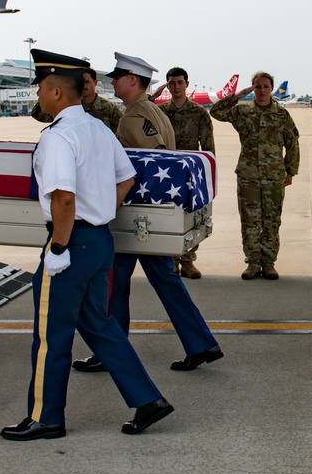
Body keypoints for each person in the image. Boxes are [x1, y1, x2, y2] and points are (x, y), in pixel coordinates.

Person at [0, 49, 173, 442]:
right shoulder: (97, 129)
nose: (39, 96)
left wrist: (59, 248)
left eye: (42, 88)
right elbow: (126, 179)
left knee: (50, 335)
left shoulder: (58, 136)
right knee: (98, 324)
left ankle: (46, 417)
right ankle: (148, 399)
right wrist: (99, 214)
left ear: (57, 92)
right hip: (98, 241)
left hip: (70, 243)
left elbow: (62, 198)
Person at [72, 53, 221, 376]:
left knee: (112, 282)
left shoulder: (134, 118)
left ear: (132, 80)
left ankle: (110, 350)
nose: (112, 82)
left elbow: (157, 161)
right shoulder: (150, 110)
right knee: (161, 280)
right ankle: (200, 343)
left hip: (138, 218)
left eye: (117, 77)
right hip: (150, 218)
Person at [211, 72, 300, 280]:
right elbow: (216, 112)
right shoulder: (242, 112)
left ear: (271, 88)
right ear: (252, 89)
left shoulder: (281, 114)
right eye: (257, 87)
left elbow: (292, 143)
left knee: (271, 220)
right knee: (250, 221)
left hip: (274, 176)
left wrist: (291, 171)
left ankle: (268, 263)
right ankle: (252, 263)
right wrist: (236, 96)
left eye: (265, 87)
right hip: (248, 176)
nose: (262, 91)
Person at [157, 67, 216, 278]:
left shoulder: (199, 113)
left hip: (191, 174)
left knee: (192, 216)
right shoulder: (160, 112)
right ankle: (171, 259)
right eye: (172, 83)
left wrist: (208, 173)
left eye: (180, 82)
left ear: (187, 84)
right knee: (169, 215)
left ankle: (188, 261)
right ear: (168, 85)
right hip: (167, 173)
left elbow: (208, 147)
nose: (176, 87)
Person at [31, 66, 122, 132]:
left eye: (87, 82)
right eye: (81, 83)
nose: (84, 86)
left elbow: (120, 132)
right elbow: (38, 116)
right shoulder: (69, 106)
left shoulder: (109, 108)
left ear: (95, 83)